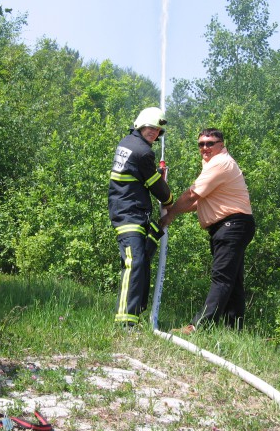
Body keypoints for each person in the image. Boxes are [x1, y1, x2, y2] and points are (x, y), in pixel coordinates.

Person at [160, 128, 255, 334]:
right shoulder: (213, 164)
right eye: (201, 144)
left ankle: (198, 327)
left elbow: (192, 195)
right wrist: (175, 209)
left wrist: (170, 215)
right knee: (233, 281)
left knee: (221, 279)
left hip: (232, 226)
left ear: (221, 144)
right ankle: (234, 331)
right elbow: (199, 203)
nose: (205, 148)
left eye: (210, 143)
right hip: (234, 226)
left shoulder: (220, 164)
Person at [108, 107, 173, 328]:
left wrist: (154, 175)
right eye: (151, 128)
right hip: (129, 213)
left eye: (157, 131)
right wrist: (169, 198)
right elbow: (157, 187)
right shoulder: (142, 151)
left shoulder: (127, 143)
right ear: (140, 125)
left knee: (141, 261)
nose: (154, 133)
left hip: (130, 210)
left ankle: (133, 318)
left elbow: (141, 176)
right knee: (134, 262)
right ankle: (125, 322)